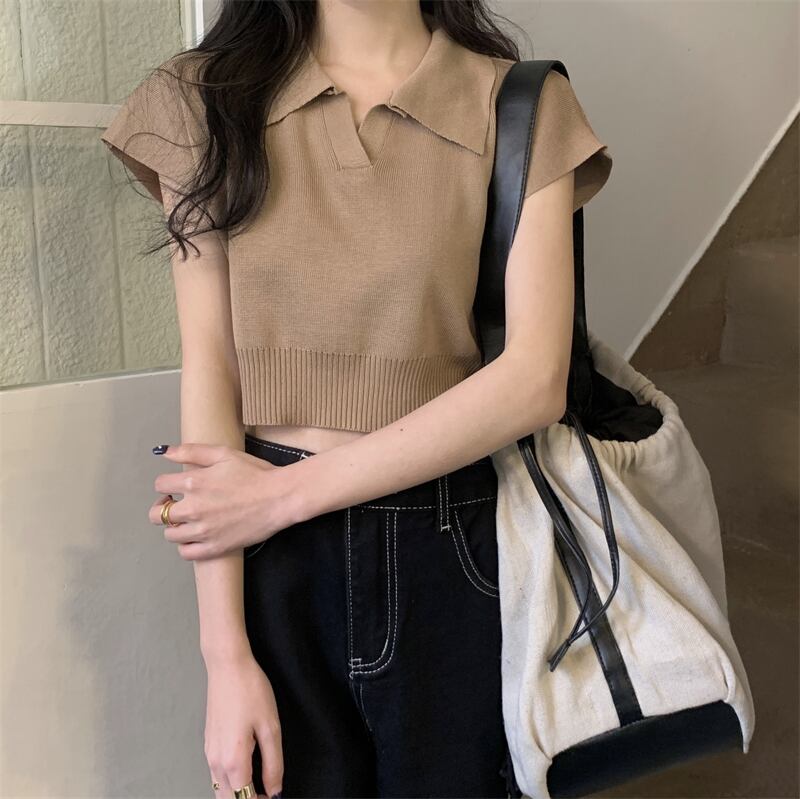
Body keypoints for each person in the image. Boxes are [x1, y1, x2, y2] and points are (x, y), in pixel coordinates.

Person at [100, 1, 612, 797]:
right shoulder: (201, 100)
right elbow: (212, 370)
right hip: (273, 563)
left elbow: (535, 380)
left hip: (453, 551)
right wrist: (224, 656)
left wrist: (282, 495)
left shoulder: (519, 103)